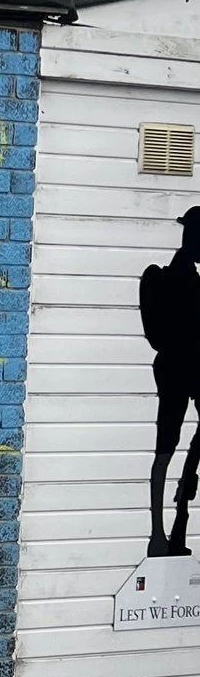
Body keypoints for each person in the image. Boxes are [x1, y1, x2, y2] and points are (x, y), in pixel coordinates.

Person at [141, 206, 200, 557]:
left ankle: (173, 524)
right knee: (165, 450)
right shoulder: (177, 277)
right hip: (179, 370)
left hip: (187, 369)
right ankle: (160, 533)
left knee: (172, 448)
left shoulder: (188, 276)